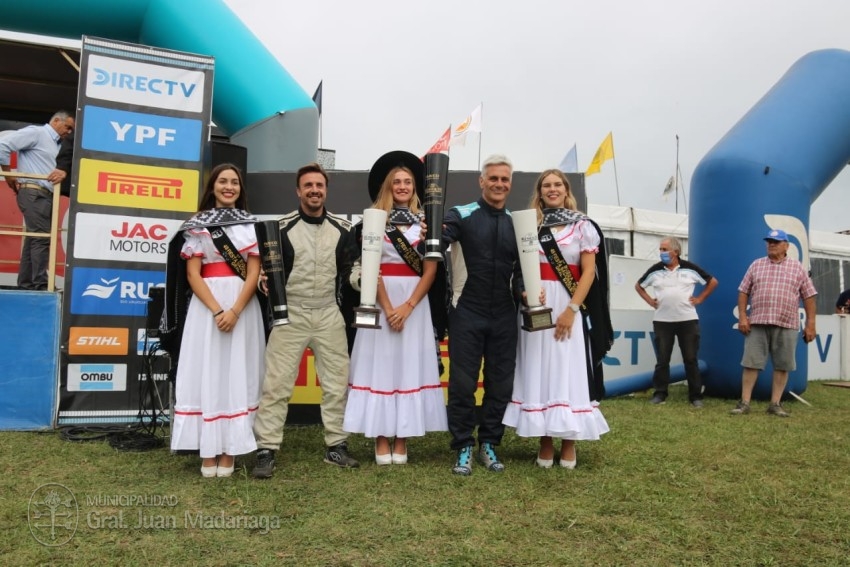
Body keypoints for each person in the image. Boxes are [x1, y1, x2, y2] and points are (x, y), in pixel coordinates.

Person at [252, 162, 360, 478]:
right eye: (308, 186)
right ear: (298, 191)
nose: (314, 190)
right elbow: (265, 272)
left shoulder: (343, 228)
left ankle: (336, 446)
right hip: (291, 313)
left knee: (337, 384)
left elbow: (350, 270)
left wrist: (362, 281)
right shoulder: (279, 227)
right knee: (276, 384)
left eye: (319, 186)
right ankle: (266, 449)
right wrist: (264, 282)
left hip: (328, 312)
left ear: (326, 190)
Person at [343, 151, 448, 465]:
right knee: (380, 366)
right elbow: (369, 268)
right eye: (396, 182)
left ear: (415, 187)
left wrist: (408, 306)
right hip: (381, 299)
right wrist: (389, 308)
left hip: (414, 303)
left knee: (407, 366)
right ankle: (379, 435)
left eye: (408, 182)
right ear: (387, 187)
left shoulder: (427, 223)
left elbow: (431, 270)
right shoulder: (373, 222)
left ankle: (401, 436)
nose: (402, 186)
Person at [503, 169, 611, 468]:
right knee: (540, 368)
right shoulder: (530, 226)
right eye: (546, 185)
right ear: (539, 192)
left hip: (569, 303)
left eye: (557, 185)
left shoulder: (582, 226)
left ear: (566, 190)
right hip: (537, 307)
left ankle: (569, 442)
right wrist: (525, 294)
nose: (552, 189)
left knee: (568, 369)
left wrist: (571, 310)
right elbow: (521, 270)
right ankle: (545, 440)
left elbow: (589, 271)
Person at [169, 163, 266, 477]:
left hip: (243, 305)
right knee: (208, 371)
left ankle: (231, 448)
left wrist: (235, 309)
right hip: (206, 307)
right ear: (212, 187)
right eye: (223, 181)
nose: (229, 187)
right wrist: (217, 310)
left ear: (241, 189)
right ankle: (208, 447)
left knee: (238, 371)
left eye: (234, 182)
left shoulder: (251, 226)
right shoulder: (197, 225)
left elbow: (253, 272)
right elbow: (192, 274)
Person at [441, 154, 521, 476]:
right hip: (467, 312)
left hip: (504, 314)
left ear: (510, 184)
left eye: (504, 179)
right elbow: (436, 243)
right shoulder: (461, 214)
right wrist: (432, 231)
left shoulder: (519, 223)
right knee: (462, 384)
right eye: (493, 178)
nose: (499, 184)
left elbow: (524, 273)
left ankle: (489, 442)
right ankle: (463, 446)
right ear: (482, 181)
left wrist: (527, 292)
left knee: (500, 385)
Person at [732, 229, 817, 417]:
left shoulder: (797, 268)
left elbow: (809, 296)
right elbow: (743, 291)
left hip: (786, 323)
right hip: (758, 322)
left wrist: (811, 324)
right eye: (769, 241)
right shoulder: (756, 265)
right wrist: (743, 317)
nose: (771, 244)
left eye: (776, 242)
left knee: (782, 365)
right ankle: (744, 402)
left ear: (786, 246)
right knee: (751, 363)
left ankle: (775, 404)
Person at [635, 236, 718, 407]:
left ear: (676, 251)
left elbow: (712, 282)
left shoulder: (690, 268)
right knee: (663, 359)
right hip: (662, 321)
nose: (661, 252)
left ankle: (695, 396)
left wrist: (701, 298)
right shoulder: (655, 270)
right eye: (660, 249)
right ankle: (660, 394)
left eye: (664, 249)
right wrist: (650, 301)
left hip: (687, 320)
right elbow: (639, 285)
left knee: (690, 358)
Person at [0, 110, 75, 290]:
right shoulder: (37, 132)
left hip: (45, 195)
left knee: (35, 238)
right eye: (68, 127)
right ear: (56, 121)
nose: (69, 132)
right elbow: (3, 144)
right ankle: (40, 283)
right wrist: (8, 174)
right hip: (34, 192)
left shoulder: (57, 143)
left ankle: (27, 283)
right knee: (41, 238)